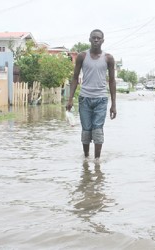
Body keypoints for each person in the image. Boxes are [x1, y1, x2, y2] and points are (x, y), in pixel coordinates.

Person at [66, 29, 117, 161]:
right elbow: (75, 78)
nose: (96, 40)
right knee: (86, 129)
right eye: (93, 38)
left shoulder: (108, 58)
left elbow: (112, 81)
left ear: (102, 41)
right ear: (89, 39)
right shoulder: (82, 56)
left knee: (98, 129)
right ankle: (86, 158)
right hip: (84, 99)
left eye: (98, 38)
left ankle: (97, 161)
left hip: (101, 99)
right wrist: (70, 99)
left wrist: (113, 105)